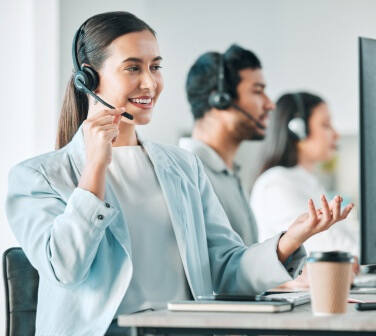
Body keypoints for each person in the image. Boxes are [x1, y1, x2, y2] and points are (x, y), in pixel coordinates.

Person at [6, 12, 353, 335]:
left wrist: (290, 238)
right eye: (132, 68)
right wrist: (95, 166)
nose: (150, 83)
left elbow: (227, 271)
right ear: (89, 77)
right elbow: (64, 270)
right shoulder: (37, 177)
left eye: (155, 67)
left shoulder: (184, 167)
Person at [250, 92, 359, 276]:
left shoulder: (309, 181)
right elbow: (332, 253)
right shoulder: (277, 184)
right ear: (298, 130)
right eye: (325, 125)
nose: (336, 133)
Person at [180, 45, 273, 245]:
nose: (269, 104)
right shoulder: (188, 175)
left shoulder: (227, 173)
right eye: (258, 91)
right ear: (221, 99)